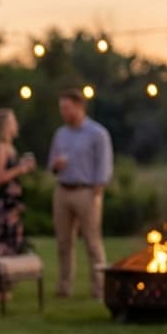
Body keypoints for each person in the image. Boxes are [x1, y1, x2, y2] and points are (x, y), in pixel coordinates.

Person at [46, 87, 113, 298]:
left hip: (86, 191)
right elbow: (52, 165)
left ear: (79, 106)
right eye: (61, 108)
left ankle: (100, 287)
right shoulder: (61, 134)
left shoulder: (97, 134)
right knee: (64, 242)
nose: (63, 112)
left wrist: (97, 190)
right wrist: (56, 166)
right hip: (63, 190)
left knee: (92, 242)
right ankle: (64, 286)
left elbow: (104, 165)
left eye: (66, 108)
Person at [0, 108, 35, 297]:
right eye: (13, 121)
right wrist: (21, 168)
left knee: (11, 243)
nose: (16, 125)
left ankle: (3, 287)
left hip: (10, 206)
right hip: (0, 207)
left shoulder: (8, 146)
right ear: (4, 125)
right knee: (0, 244)